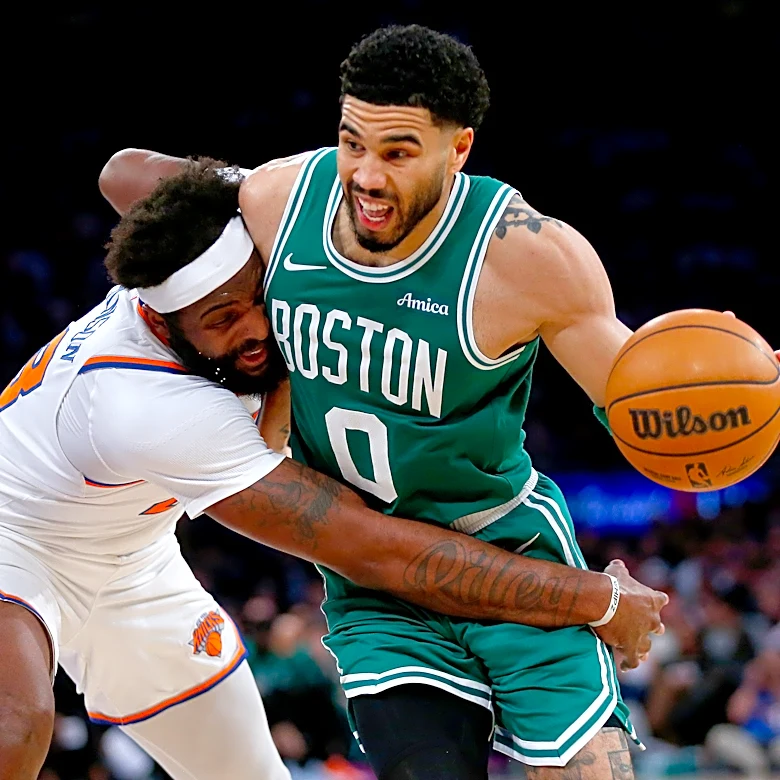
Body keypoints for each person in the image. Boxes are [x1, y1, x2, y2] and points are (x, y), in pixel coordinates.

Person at [97, 25, 678, 779]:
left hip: (514, 561)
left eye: (398, 152)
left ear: (459, 149)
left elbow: (649, 407)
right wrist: (216, 196)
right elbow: (124, 176)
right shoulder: (281, 197)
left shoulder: (526, 256)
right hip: (379, 589)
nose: (366, 175)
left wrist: (727, 396)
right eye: (351, 143)